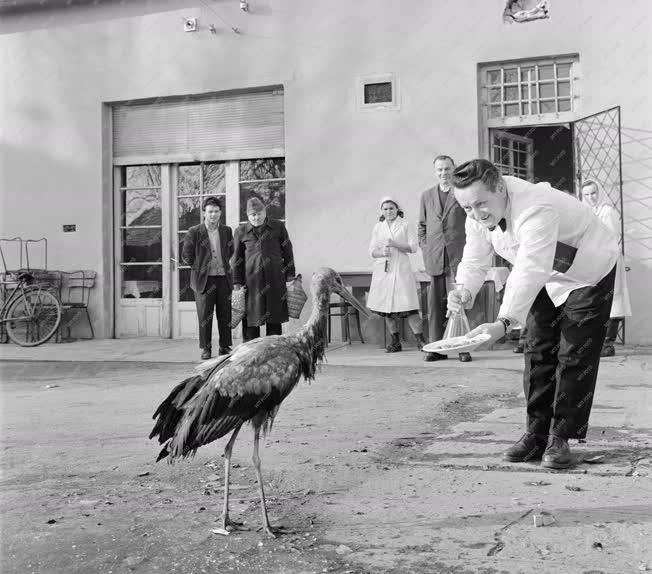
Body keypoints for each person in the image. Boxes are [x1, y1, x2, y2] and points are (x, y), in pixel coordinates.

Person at [449, 159, 619, 469]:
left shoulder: (534, 206)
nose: (475, 213)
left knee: (573, 354)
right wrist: (465, 290)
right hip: (546, 271)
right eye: (467, 208)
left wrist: (503, 322)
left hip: (587, 271)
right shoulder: (476, 213)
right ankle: (535, 435)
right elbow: (475, 258)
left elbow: (530, 267)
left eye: (480, 204)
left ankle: (561, 439)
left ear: (500, 187)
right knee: (539, 350)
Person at [418, 155, 469, 362]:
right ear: (435, 172)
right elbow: (421, 226)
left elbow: (472, 220)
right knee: (436, 306)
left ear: (454, 169)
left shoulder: (462, 192)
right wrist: (426, 247)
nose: (444, 173)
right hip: (436, 256)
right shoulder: (427, 195)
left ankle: (464, 348)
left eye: (447, 169)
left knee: (461, 302)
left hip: (459, 255)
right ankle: (436, 348)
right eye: (439, 170)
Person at [367, 197, 427, 353]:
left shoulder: (406, 225)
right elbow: (372, 251)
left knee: (409, 307)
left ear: (397, 209)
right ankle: (395, 342)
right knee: (387, 309)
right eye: (385, 209)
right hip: (384, 271)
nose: (388, 211)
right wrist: (381, 252)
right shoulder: (378, 227)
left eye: (391, 208)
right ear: (381, 211)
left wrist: (394, 244)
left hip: (401, 270)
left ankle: (421, 340)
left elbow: (413, 248)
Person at [232, 197, 295, 342]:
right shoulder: (241, 231)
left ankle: (274, 351)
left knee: (274, 319)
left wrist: (290, 274)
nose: (256, 217)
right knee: (251, 320)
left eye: (259, 213)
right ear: (248, 216)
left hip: (275, 280)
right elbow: (236, 259)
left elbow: (287, 252)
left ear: (265, 212)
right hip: (251, 283)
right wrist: (236, 282)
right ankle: (249, 352)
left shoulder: (278, 227)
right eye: (252, 215)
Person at [581, 180, 632, 357]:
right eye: (586, 194)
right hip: (594, 261)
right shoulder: (586, 212)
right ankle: (596, 342)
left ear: (599, 192)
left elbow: (611, 237)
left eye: (593, 193)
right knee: (596, 301)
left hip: (609, 259)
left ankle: (608, 344)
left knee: (613, 300)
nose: (590, 197)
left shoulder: (607, 212)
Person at [182, 196, 233, 360]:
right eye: (210, 211)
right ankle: (206, 348)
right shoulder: (194, 231)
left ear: (220, 213)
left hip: (223, 278)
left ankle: (225, 346)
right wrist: (200, 268)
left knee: (225, 314)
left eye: (216, 211)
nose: (213, 215)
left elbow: (230, 251)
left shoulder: (226, 231)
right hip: (204, 281)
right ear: (204, 213)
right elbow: (186, 256)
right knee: (205, 316)